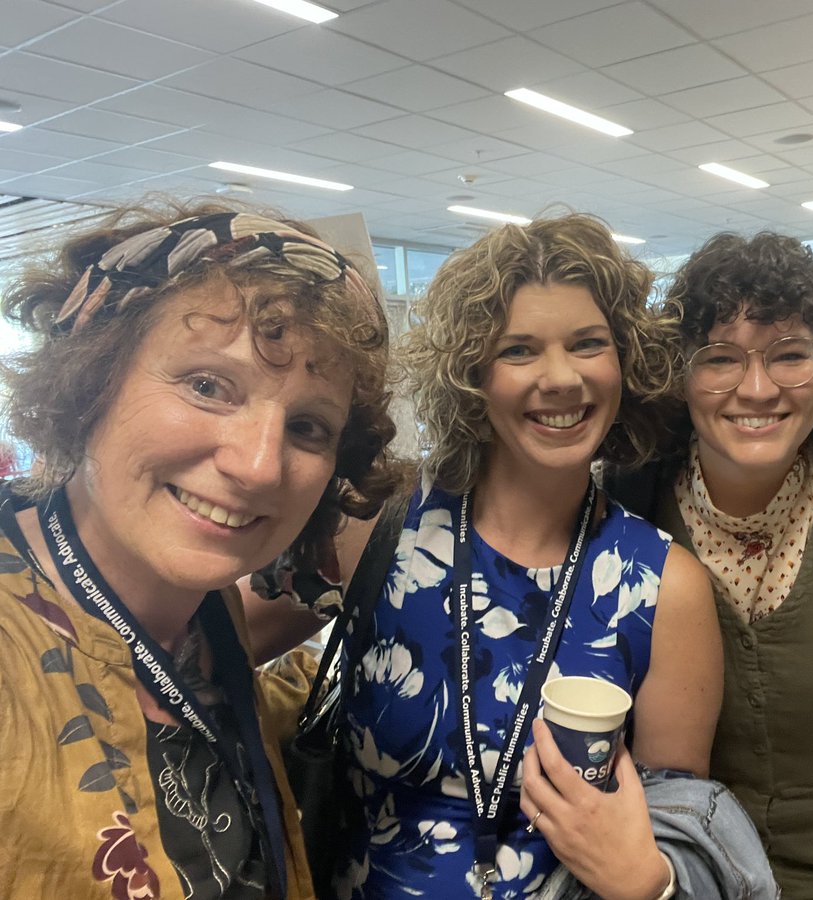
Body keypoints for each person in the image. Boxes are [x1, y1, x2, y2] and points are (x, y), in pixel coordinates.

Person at [247, 213, 724, 899]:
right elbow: (206, 655)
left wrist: (644, 878)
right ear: (471, 373)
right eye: (520, 350)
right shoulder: (377, 526)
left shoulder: (663, 587)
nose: (560, 378)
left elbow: (676, 826)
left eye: (588, 344)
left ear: (625, 362)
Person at [0, 202, 404, 899]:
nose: (258, 466)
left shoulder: (207, 619)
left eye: (307, 426)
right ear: (88, 380)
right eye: (208, 386)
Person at [609, 232, 813, 898]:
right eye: (720, 358)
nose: (756, 388)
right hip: (684, 880)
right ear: (682, 373)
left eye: (788, 355)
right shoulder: (624, 511)